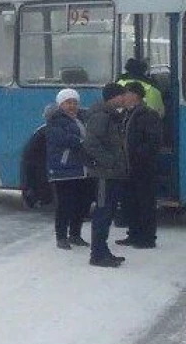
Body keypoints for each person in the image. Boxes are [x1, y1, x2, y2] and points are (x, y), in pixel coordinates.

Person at [83, 83, 129, 268]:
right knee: (102, 213)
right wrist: (110, 162)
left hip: (112, 174)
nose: (125, 98)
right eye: (123, 95)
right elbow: (91, 144)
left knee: (108, 212)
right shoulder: (101, 116)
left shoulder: (112, 116)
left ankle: (103, 251)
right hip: (104, 174)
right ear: (114, 97)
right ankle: (97, 255)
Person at [45, 88, 92, 250]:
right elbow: (63, 139)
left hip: (80, 169)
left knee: (80, 203)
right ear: (60, 105)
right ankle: (61, 237)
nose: (72, 106)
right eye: (68, 103)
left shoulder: (80, 119)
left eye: (74, 102)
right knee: (65, 205)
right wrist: (83, 142)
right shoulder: (54, 121)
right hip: (63, 170)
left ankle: (75, 234)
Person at [116, 82, 162, 249]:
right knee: (131, 201)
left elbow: (153, 142)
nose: (123, 97)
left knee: (145, 202)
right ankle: (134, 234)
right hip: (128, 166)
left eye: (126, 93)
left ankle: (147, 238)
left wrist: (137, 155)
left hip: (142, 167)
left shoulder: (148, 115)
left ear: (135, 95)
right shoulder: (127, 114)